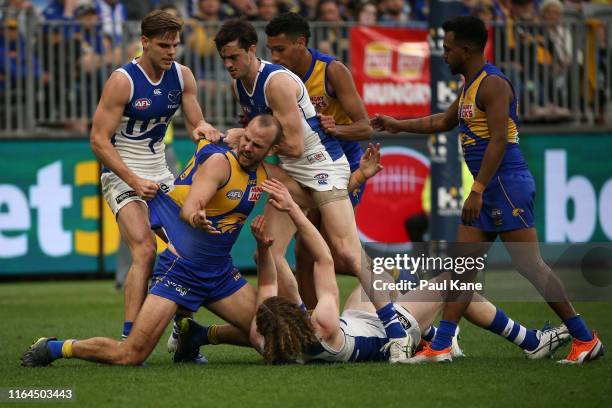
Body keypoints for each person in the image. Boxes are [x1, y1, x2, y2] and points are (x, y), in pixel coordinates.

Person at [20, 114, 383, 367]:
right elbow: (191, 204)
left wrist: (360, 177)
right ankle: (55, 347)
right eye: (247, 141)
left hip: (220, 274)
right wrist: (196, 214)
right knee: (131, 354)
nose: (248, 149)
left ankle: (195, 335)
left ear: (271, 149)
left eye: (258, 147)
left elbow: (317, 197)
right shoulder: (220, 163)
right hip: (181, 270)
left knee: (275, 339)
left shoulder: (266, 176)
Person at [371, 15, 603, 364]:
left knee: (531, 266)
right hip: (491, 188)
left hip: (506, 185)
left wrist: (477, 189)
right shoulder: (471, 84)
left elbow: (498, 141)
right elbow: (441, 122)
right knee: (462, 266)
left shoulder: (493, 84)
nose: (444, 55)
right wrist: (395, 125)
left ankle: (585, 338)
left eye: (448, 49)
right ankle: (443, 345)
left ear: (466, 49)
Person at [212, 18, 415, 363]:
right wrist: (241, 138)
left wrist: (240, 139)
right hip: (292, 172)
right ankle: (303, 326)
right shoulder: (241, 86)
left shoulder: (275, 83)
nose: (229, 65)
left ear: (250, 50)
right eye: (224, 60)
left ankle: (396, 332)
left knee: (347, 254)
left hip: (323, 168)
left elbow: (291, 145)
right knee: (269, 254)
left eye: (234, 57)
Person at [241, 179, 570, 364]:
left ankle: (430, 331)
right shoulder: (322, 324)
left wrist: (266, 249)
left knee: (381, 273)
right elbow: (324, 260)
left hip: (355, 324)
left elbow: (270, 280)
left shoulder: (265, 340)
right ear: (298, 314)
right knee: (457, 280)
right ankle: (529, 341)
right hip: (385, 335)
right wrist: (295, 209)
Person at [89, 10, 219, 342]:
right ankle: (129, 338)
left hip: (161, 173)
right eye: (163, 45)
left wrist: (206, 131)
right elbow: (98, 140)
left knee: (189, 252)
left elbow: (196, 124)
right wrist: (133, 181)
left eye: (175, 45)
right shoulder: (123, 80)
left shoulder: (182, 75)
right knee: (145, 250)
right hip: (123, 175)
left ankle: (183, 333)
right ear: (144, 42)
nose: (171, 52)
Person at [264, 12, 373, 309]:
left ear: (301, 43)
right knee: (303, 251)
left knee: (336, 252)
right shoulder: (274, 78)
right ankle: (314, 325)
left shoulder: (331, 71)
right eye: (270, 50)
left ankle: (391, 293)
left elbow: (366, 126)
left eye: (280, 49)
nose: (274, 56)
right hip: (304, 166)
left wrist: (336, 129)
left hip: (341, 165)